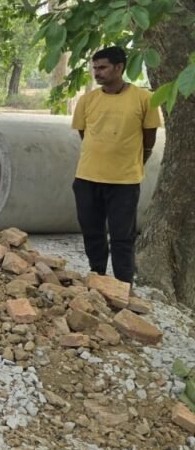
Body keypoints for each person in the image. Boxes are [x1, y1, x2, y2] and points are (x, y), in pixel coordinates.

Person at [71, 46, 161, 284]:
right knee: (92, 232)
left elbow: (149, 136)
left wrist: (136, 158)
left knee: (122, 237)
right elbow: (84, 132)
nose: (97, 73)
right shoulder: (87, 100)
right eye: (95, 68)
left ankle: (123, 286)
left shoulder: (144, 99)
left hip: (124, 181)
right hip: (87, 178)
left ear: (119, 68)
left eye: (102, 67)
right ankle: (97, 277)